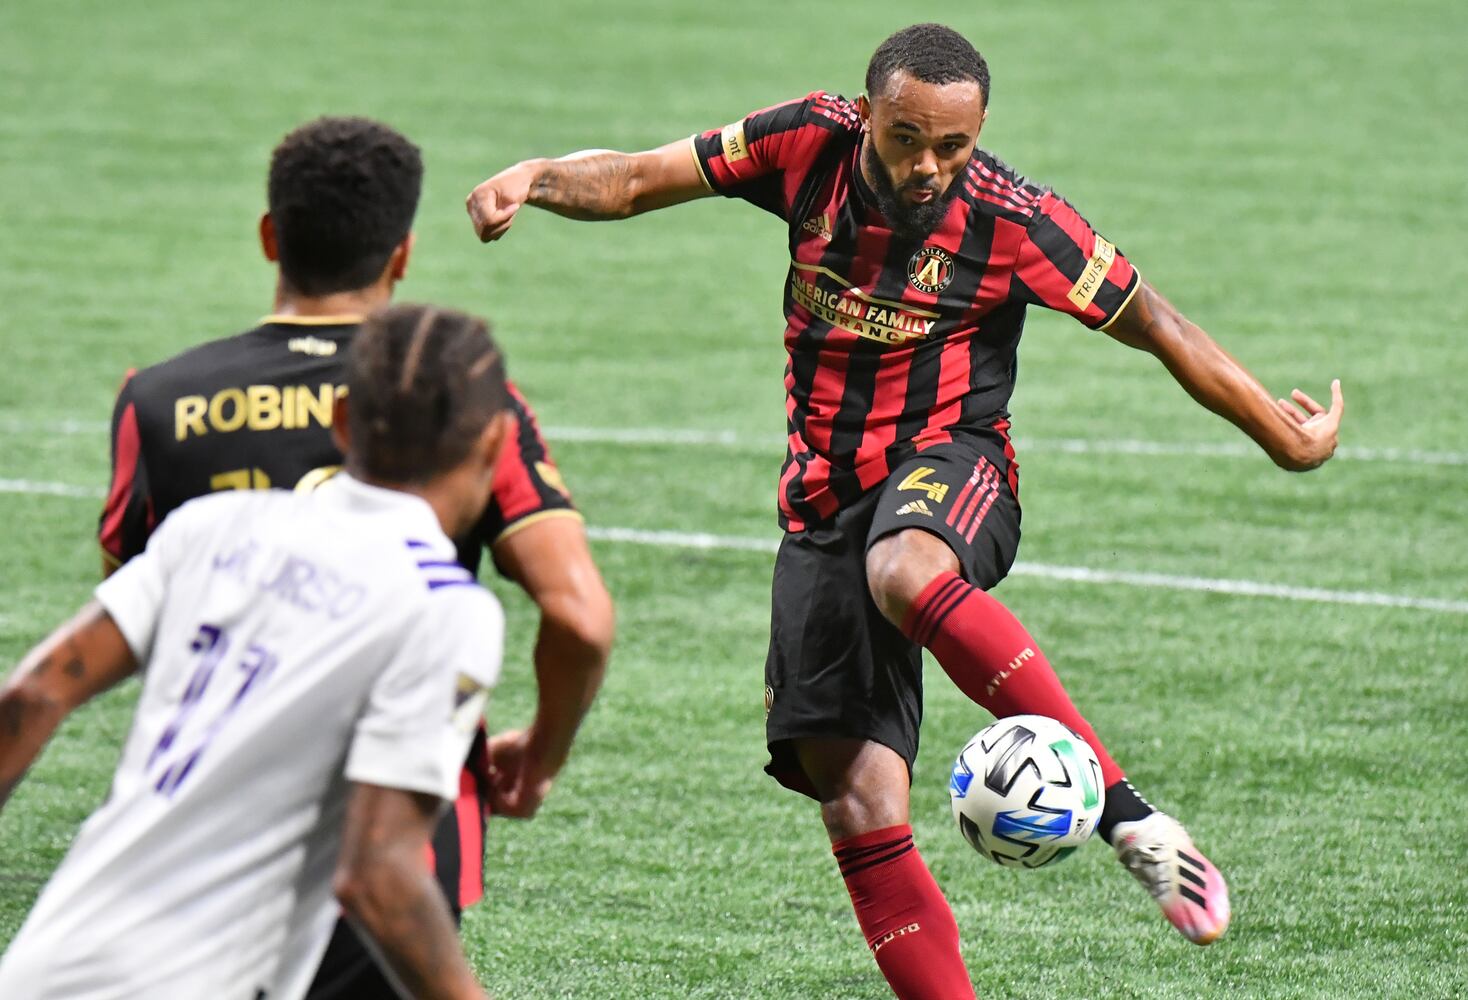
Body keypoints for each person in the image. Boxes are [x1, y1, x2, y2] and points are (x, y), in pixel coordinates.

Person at [465, 22, 1345, 998]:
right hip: (820, 504)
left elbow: (1157, 322)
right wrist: (536, 177)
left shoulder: (1016, 221)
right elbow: (634, 179)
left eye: (951, 146)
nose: (927, 165)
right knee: (855, 797)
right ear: (868, 114)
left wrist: (1280, 429)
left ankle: (1129, 818)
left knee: (905, 569)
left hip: (951, 464)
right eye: (904, 138)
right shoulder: (803, 144)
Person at [98, 116, 614, 997]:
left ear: (272, 236)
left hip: (207, 818)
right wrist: (543, 755)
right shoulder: (461, 396)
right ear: (403, 253)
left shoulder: (155, 400)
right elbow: (578, 613)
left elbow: (136, 618)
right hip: (404, 824)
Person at [0, 304, 512, 999]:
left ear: (340, 421)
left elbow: (34, 692)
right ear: (493, 444)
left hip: (44, 968)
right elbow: (380, 877)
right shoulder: (445, 609)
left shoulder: (214, 524)